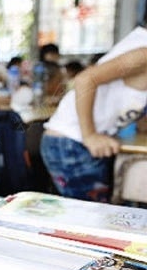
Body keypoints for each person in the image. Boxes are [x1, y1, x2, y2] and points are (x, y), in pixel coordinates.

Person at [41, 26, 147, 202]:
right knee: (93, 218)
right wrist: (89, 135)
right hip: (70, 142)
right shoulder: (143, 53)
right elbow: (85, 80)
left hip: (76, 143)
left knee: (97, 215)